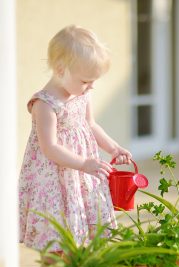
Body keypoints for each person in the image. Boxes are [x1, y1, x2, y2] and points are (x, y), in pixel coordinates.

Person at [19, 25, 132, 251]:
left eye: (93, 81)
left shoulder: (81, 94)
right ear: (61, 70)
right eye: (85, 81)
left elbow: (90, 124)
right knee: (57, 238)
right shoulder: (45, 105)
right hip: (55, 179)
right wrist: (84, 164)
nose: (90, 86)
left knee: (82, 229)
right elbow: (49, 147)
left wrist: (113, 148)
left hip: (81, 175)